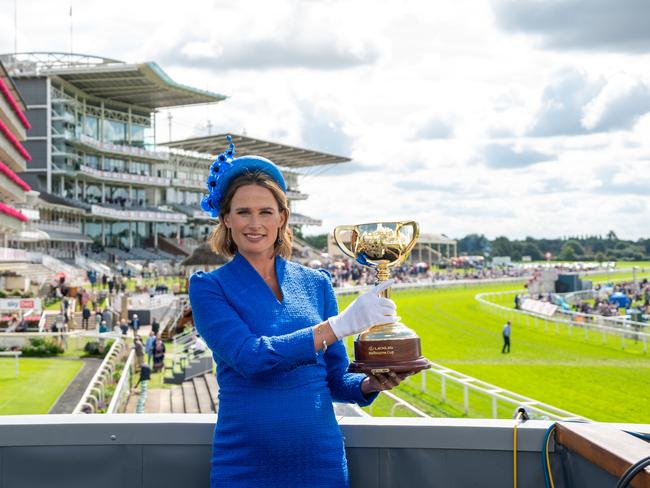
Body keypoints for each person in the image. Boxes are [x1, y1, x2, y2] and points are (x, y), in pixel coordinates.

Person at [189, 138, 409, 487]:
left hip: (320, 462)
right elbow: (251, 358)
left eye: (265, 212)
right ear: (226, 219)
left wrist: (370, 383)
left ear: (282, 218)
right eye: (243, 212)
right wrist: (338, 326)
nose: (254, 223)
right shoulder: (209, 287)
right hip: (244, 464)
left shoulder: (316, 283)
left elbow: (336, 380)